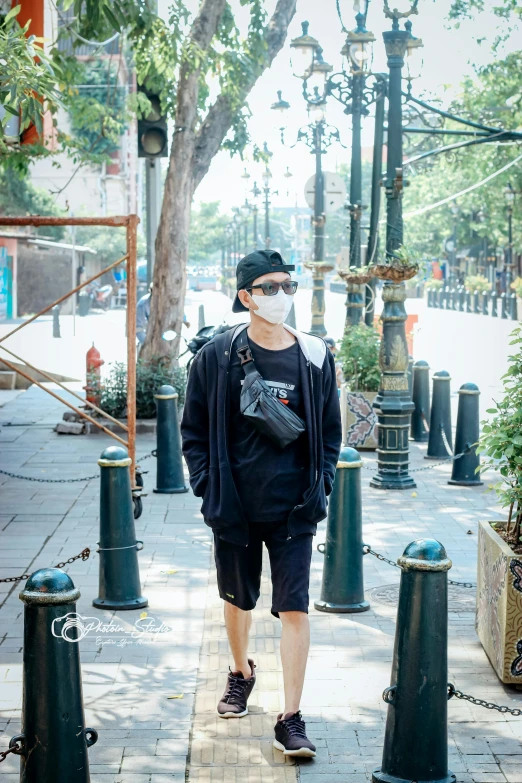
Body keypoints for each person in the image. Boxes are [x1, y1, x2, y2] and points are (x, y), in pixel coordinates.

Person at [181, 250, 342, 758]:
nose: (281, 297)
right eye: (269, 288)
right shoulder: (217, 356)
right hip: (235, 505)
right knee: (238, 599)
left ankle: (291, 716)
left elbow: (332, 431)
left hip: (295, 509)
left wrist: (323, 482)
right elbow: (194, 431)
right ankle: (240, 671)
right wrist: (208, 485)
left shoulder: (315, 355)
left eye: (288, 286)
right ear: (246, 296)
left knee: (294, 607)